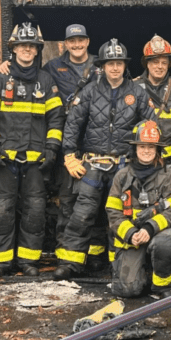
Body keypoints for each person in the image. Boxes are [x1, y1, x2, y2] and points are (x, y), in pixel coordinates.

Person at [54, 39, 158, 279]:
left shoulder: (137, 93)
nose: (115, 68)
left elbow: (151, 126)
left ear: (124, 66)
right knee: (82, 214)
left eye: (119, 63)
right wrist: (69, 156)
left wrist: (143, 161)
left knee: (119, 216)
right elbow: (72, 125)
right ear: (102, 65)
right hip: (92, 165)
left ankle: (118, 264)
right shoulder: (89, 91)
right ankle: (71, 262)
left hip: (124, 168)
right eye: (110, 63)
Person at [0, 23, 65, 279]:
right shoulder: (0, 79)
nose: (27, 50)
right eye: (22, 45)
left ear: (37, 50)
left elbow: (56, 118)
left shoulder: (46, 80)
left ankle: (29, 261)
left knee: (35, 212)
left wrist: (51, 148)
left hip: (36, 161)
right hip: (5, 160)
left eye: (31, 46)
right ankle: (0, 261)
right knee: (2, 211)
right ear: (14, 48)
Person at [105, 121, 171, 298]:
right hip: (131, 238)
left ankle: (162, 287)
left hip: (158, 234)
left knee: (165, 244)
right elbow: (113, 212)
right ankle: (144, 273)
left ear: (158, 149)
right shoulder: (122, 176)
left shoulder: (168, 175)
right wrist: (131, 233)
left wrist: (150, 228)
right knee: (128, 290)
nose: (147, 150)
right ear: (135, 148)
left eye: (151, 146)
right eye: (142, 146)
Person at [42, 24, 99, 253]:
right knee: (67, 199)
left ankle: (94, 253)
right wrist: (5, 66)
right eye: (72, 41)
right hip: (69, 143)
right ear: (66, 44)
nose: (76, 45)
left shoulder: (101, 64)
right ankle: (65, 251)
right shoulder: (53, 67)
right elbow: (31, 77)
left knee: (94, 198)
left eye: (81, 40)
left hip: (96, 141)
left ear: (87, 41)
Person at [134, 34, 171, 173]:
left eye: (164, 63)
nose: (159, 66)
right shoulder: (133, 87)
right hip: (141, 160)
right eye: (155, 62)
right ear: (147, 63)